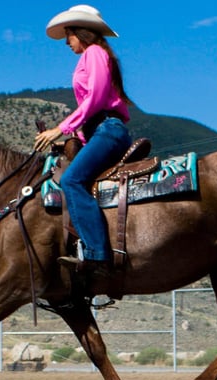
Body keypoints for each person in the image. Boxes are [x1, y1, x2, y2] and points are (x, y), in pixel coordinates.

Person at [33, 5, 132, 275]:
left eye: (69, 34)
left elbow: (96, 98)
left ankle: (97, 254)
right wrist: (71, 138)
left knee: (71, 180)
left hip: (107, 129)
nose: (67, 41)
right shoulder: (95, 54)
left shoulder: (94, 53)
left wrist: (61, 129)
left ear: (81, 32)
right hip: (99, 131)